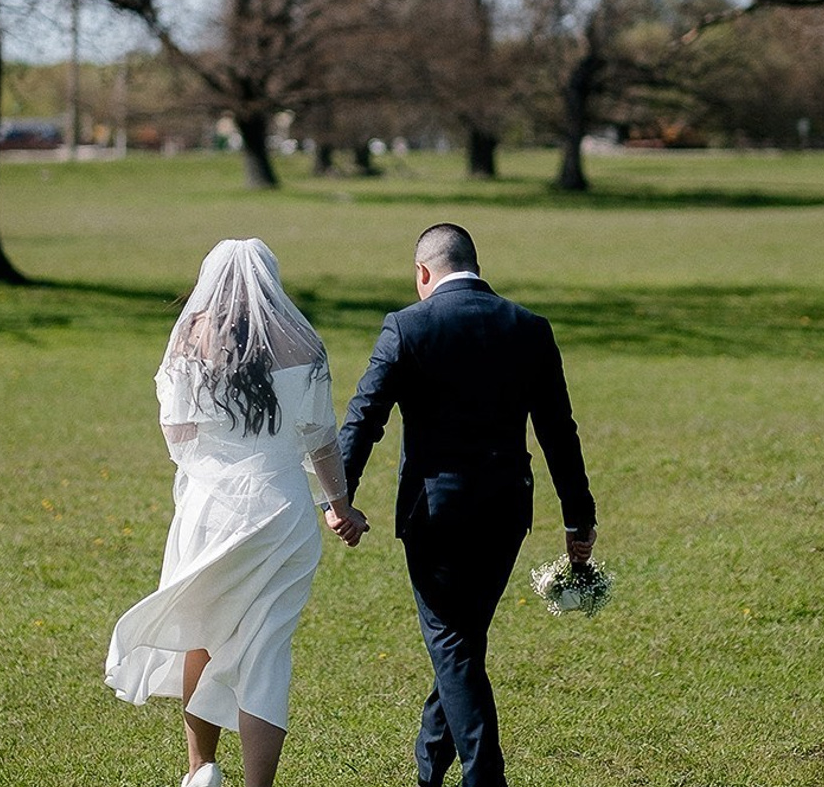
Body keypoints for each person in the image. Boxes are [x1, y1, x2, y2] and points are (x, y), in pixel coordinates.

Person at [339, 222, 598, 787]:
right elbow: (559, 430)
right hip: (507, 514)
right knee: (462, 641)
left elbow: (365, 416)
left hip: (435, 517)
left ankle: (485, 778)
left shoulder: (407, 327)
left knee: (453, 644)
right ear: (476, 265)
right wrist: (579, 518)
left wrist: (340, 497)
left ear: (422, 273)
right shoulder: (529, 328)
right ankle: (429, 766)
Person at [106, 238, 368, 787]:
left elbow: (177, 435)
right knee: (267, 653)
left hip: (210, 507)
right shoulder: (303, 342)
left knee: (201, 633)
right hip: (283, 509)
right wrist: (339, 505)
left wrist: (214, 463)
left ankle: (201, 769)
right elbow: (321, 440)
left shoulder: (189, 340)